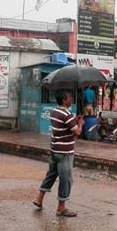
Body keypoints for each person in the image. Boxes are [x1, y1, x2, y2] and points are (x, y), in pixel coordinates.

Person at [33, 89, 84, 217]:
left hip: (55, 150)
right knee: (66, 179)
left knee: (51, 175)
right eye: (69, 98)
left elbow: (65, 127)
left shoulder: (55, 112)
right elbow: (77, 133)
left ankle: (39, 198)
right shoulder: (66, 114)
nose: (71, 99)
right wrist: (80, 124)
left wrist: (74, 121)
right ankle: (61, 208)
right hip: (65, 152)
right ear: (64, 100)